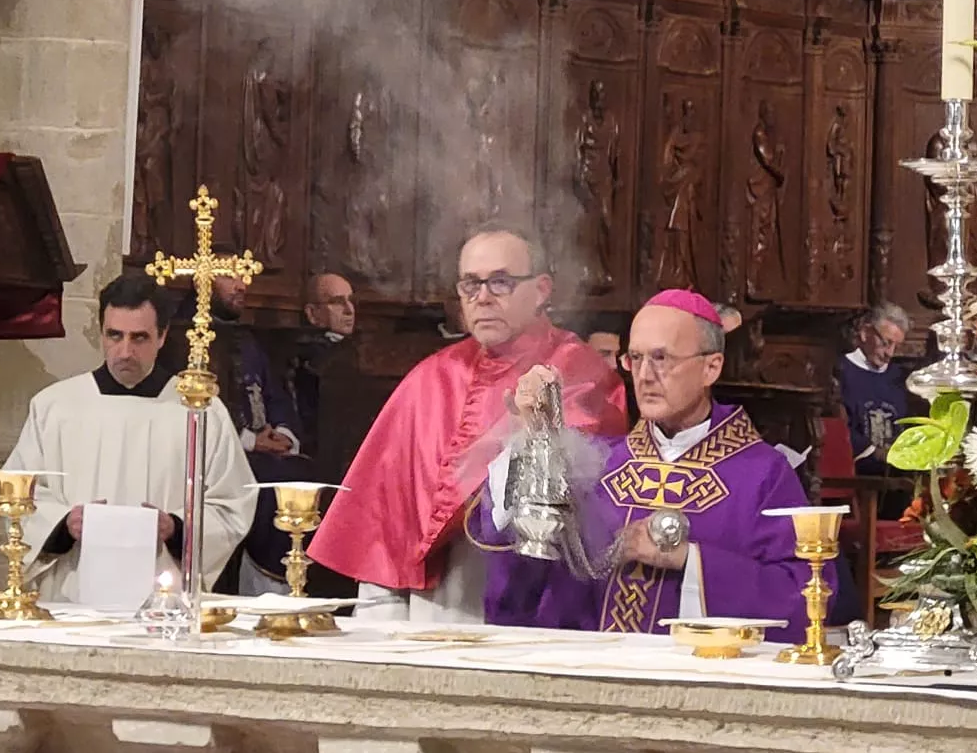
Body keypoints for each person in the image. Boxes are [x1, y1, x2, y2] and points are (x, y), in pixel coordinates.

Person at [307, 226, 628, 622]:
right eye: (470, 284)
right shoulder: (429, 379)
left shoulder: (577, 370)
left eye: (500, 282)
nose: (483, 298)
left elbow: (584, 505)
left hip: (535, 602)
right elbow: (386, 522)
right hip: (436, 608)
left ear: (542, 290)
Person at [477, 291, 832, 637]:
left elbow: (806, 594)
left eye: (661, 358)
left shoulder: (761, 475)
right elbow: (524, 562)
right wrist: (532, 442)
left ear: (711, 368)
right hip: (596, 675)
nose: (644, 376)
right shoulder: (600, 463)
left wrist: (689, 562)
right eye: (635, 358)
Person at [5, 272, 257, 603]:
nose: (125, 351)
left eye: (139, 338)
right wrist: (63, 524)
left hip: (161, 590)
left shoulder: (200, 411)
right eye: (114, 335)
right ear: (101, 334)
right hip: (72, 588)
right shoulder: (55, 406)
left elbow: (231, 504)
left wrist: (176, 527)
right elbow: (21, 494)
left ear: (162, 336)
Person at [160, 271, 305, 594]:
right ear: (202, 281)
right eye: (230, 277)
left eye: (243, 276)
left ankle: (291, 585)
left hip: (266, 453)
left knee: (300, 478)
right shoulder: (183, 337)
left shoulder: (246, 338)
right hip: (224, 455)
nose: (242, 285)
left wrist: (283, 432)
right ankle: (262, 590)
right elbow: (184, 406)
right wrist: (251, 440)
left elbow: (274, 393)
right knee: (266, 487)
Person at [284, 271, 372, 598]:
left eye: (351, 301)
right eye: (337, 302)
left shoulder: (368, 353)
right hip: (323, 463)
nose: (349, 310)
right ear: (312, 313)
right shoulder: (307, 359)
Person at [836, 303, 913, 474]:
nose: (890, 353)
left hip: (896, 473)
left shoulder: (900, 378)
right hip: (857, 474)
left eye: (897, 346)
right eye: (886, 343)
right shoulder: (839, 371)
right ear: (865, 332)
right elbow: (837, 428)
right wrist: (874, 453)